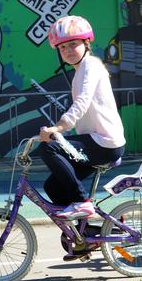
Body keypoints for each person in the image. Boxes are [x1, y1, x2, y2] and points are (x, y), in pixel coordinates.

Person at [38, 15, 126, 220]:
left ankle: (82, 202)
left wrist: (58, 128)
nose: (67, 50)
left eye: (73, 44)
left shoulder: (90, 66)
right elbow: (81, 112)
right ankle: (82, 236)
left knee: (48, 147)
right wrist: (62, 131)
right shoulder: (81, 71)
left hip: (104, 143)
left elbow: (82, 103)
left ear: (86, 43)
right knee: (53, 186)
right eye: (62, 48)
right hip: (94, 141)